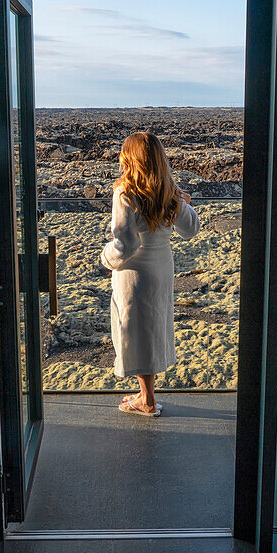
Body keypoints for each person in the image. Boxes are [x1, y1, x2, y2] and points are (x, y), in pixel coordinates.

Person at [101, 131, 201, 417]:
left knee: (135, 331)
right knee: (153, 328)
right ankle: (147, 394)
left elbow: (126, 244)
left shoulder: (125, 191)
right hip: (162, 268)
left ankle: (146, 401)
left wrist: (106, 258)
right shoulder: (169, 191)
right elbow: (191, 229)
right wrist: (185, 202)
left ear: (131, 159)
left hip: (135, 272)